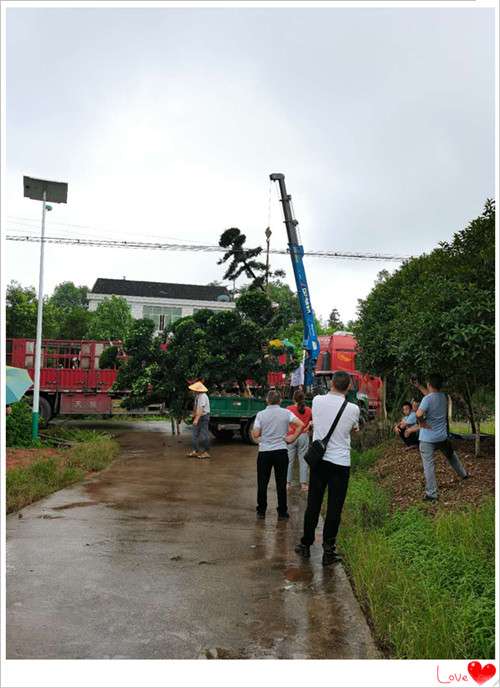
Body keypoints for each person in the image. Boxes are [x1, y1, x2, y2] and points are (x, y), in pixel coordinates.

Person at [295, 371, 360, 566]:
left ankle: (305, 545)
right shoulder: (353, 408)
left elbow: (320, 422)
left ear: (331, 383)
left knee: (313, 504)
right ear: (348, 387)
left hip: (319, 462)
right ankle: (328, 552)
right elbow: (353, 430)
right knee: (334, 508)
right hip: (340, 464)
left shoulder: (317, 400)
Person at [413, 374, 468, 501]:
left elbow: (419, 413)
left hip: (427, 439)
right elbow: (430, 396)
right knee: (451, 455)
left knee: (429, 465)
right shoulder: (444, 397)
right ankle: (463, 474)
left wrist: (421, 423)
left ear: (429, 385)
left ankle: (431, 494)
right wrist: (418, 386)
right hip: (442, 437)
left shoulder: (427, 399)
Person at [252, 390, 304, 520]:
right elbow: (300, 425)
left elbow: (256, 434)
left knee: (262, 483)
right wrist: (291, 438)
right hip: (281, 451)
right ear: (280, 400)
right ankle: (282, 512)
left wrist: (260, 437)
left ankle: (261, 511)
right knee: (281, 483)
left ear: (267, 400)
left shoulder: (260, 414)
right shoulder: (286, 413)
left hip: (264, 452)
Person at [286, 390, 312, 491]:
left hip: (292, 436)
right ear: (303, 398)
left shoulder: (288, 409)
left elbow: (286, 422)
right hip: (303, 436)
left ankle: (287, 483)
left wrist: (290, 430)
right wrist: (308, 426)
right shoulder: (309, 410)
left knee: (289, 461)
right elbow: (311, 422)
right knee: (303, 460)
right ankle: (304, 485)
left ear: (293, 398)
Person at [186, 381, 211, 459]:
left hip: (203, 417)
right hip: (198, 416)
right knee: (194, 435)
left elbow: (201, 409)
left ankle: (206, 452)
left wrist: (196, 419)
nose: (193, 391)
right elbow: (195, 407)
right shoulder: (197, 396)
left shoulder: (203, 396)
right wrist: (193, 415)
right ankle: (195, 451)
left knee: (204, 435)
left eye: (194, 389)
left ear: (198, 390)